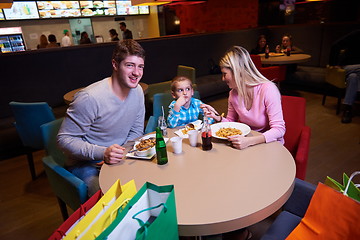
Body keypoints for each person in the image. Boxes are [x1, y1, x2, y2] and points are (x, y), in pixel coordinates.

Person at [57, 39, 146, 196]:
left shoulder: (138, 91)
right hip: (87, 163)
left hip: (119, 157)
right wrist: (103, 153)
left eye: (140, 66)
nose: (136, 73)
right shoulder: (90, 98)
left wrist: (121, 152)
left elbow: (137, 128)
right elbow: (64, 140)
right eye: (129, 65)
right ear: (115, 65)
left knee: (146, 183)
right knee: (111, 197)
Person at [201, 46, 285, 150]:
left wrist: (249, 141)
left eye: (224, 74)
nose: (223, 79)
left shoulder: (268, 89)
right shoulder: (233, 94)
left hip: (269, 145)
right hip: (246, 144)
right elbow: (231, 123)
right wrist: (217, 117)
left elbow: (279, 129)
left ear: (238, 71)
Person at [328, 30, 360, 123]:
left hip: (354, 73)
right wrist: (333, 64)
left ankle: (348, 108)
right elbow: (335, 45)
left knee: (353, 77)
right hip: (348, 67)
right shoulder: (356, 34)